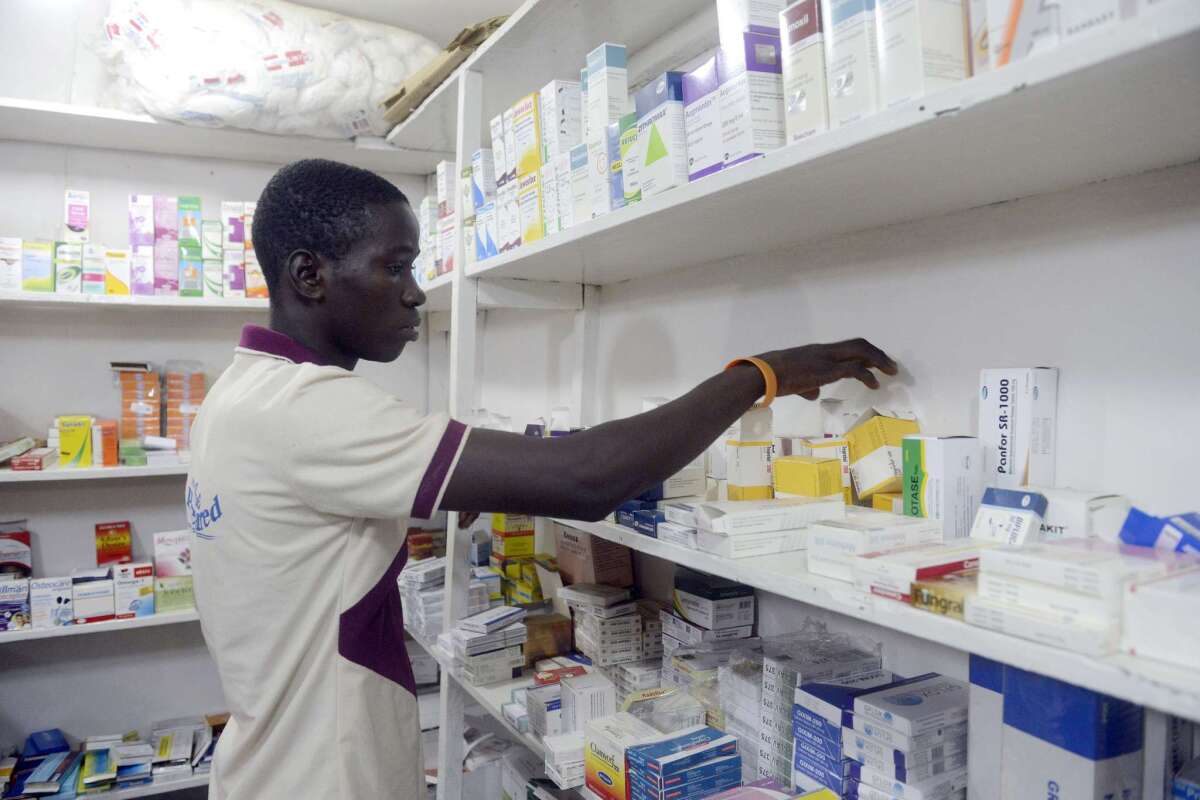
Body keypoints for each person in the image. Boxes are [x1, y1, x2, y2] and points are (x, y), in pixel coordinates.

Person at [186, 159, 897, 799]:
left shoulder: (239, 397)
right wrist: (759, 375)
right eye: (394, 267)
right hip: (324, 778)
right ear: (310, 275)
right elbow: (588, 478)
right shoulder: (309, 409)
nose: (414, 295)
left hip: (265, 761)